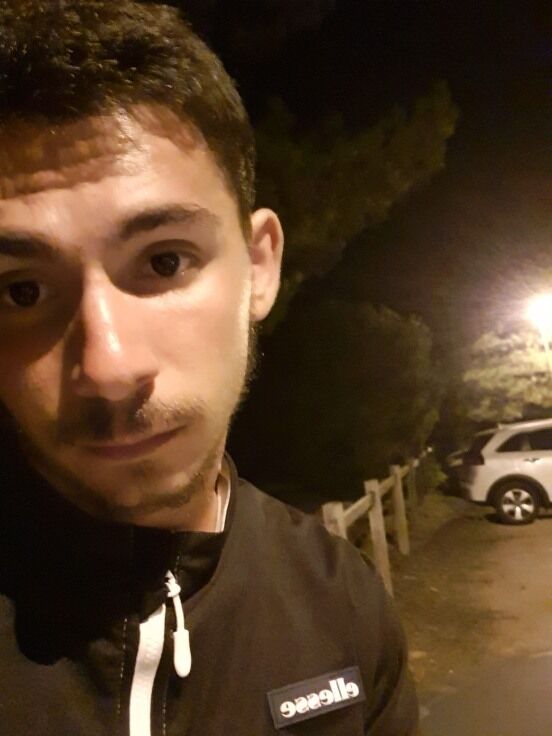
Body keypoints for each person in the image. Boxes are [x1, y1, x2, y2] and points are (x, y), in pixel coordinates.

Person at [0, 2, 419, 734]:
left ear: (259, 267)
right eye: (22, 292)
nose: (108, 366)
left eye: (164, 261)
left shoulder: (344, 608)